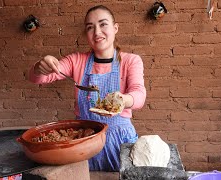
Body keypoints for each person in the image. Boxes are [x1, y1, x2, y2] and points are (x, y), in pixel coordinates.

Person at [29, 5, 146, 172]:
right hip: (84, 140)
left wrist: (121, 100)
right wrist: (40, 67)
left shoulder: (130, 61)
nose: (97, 32)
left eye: (103, 24)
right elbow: (37, 78)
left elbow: (139, 95)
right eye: (90, 27)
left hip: (121, 140)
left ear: (115, 28)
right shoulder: (77, 60)